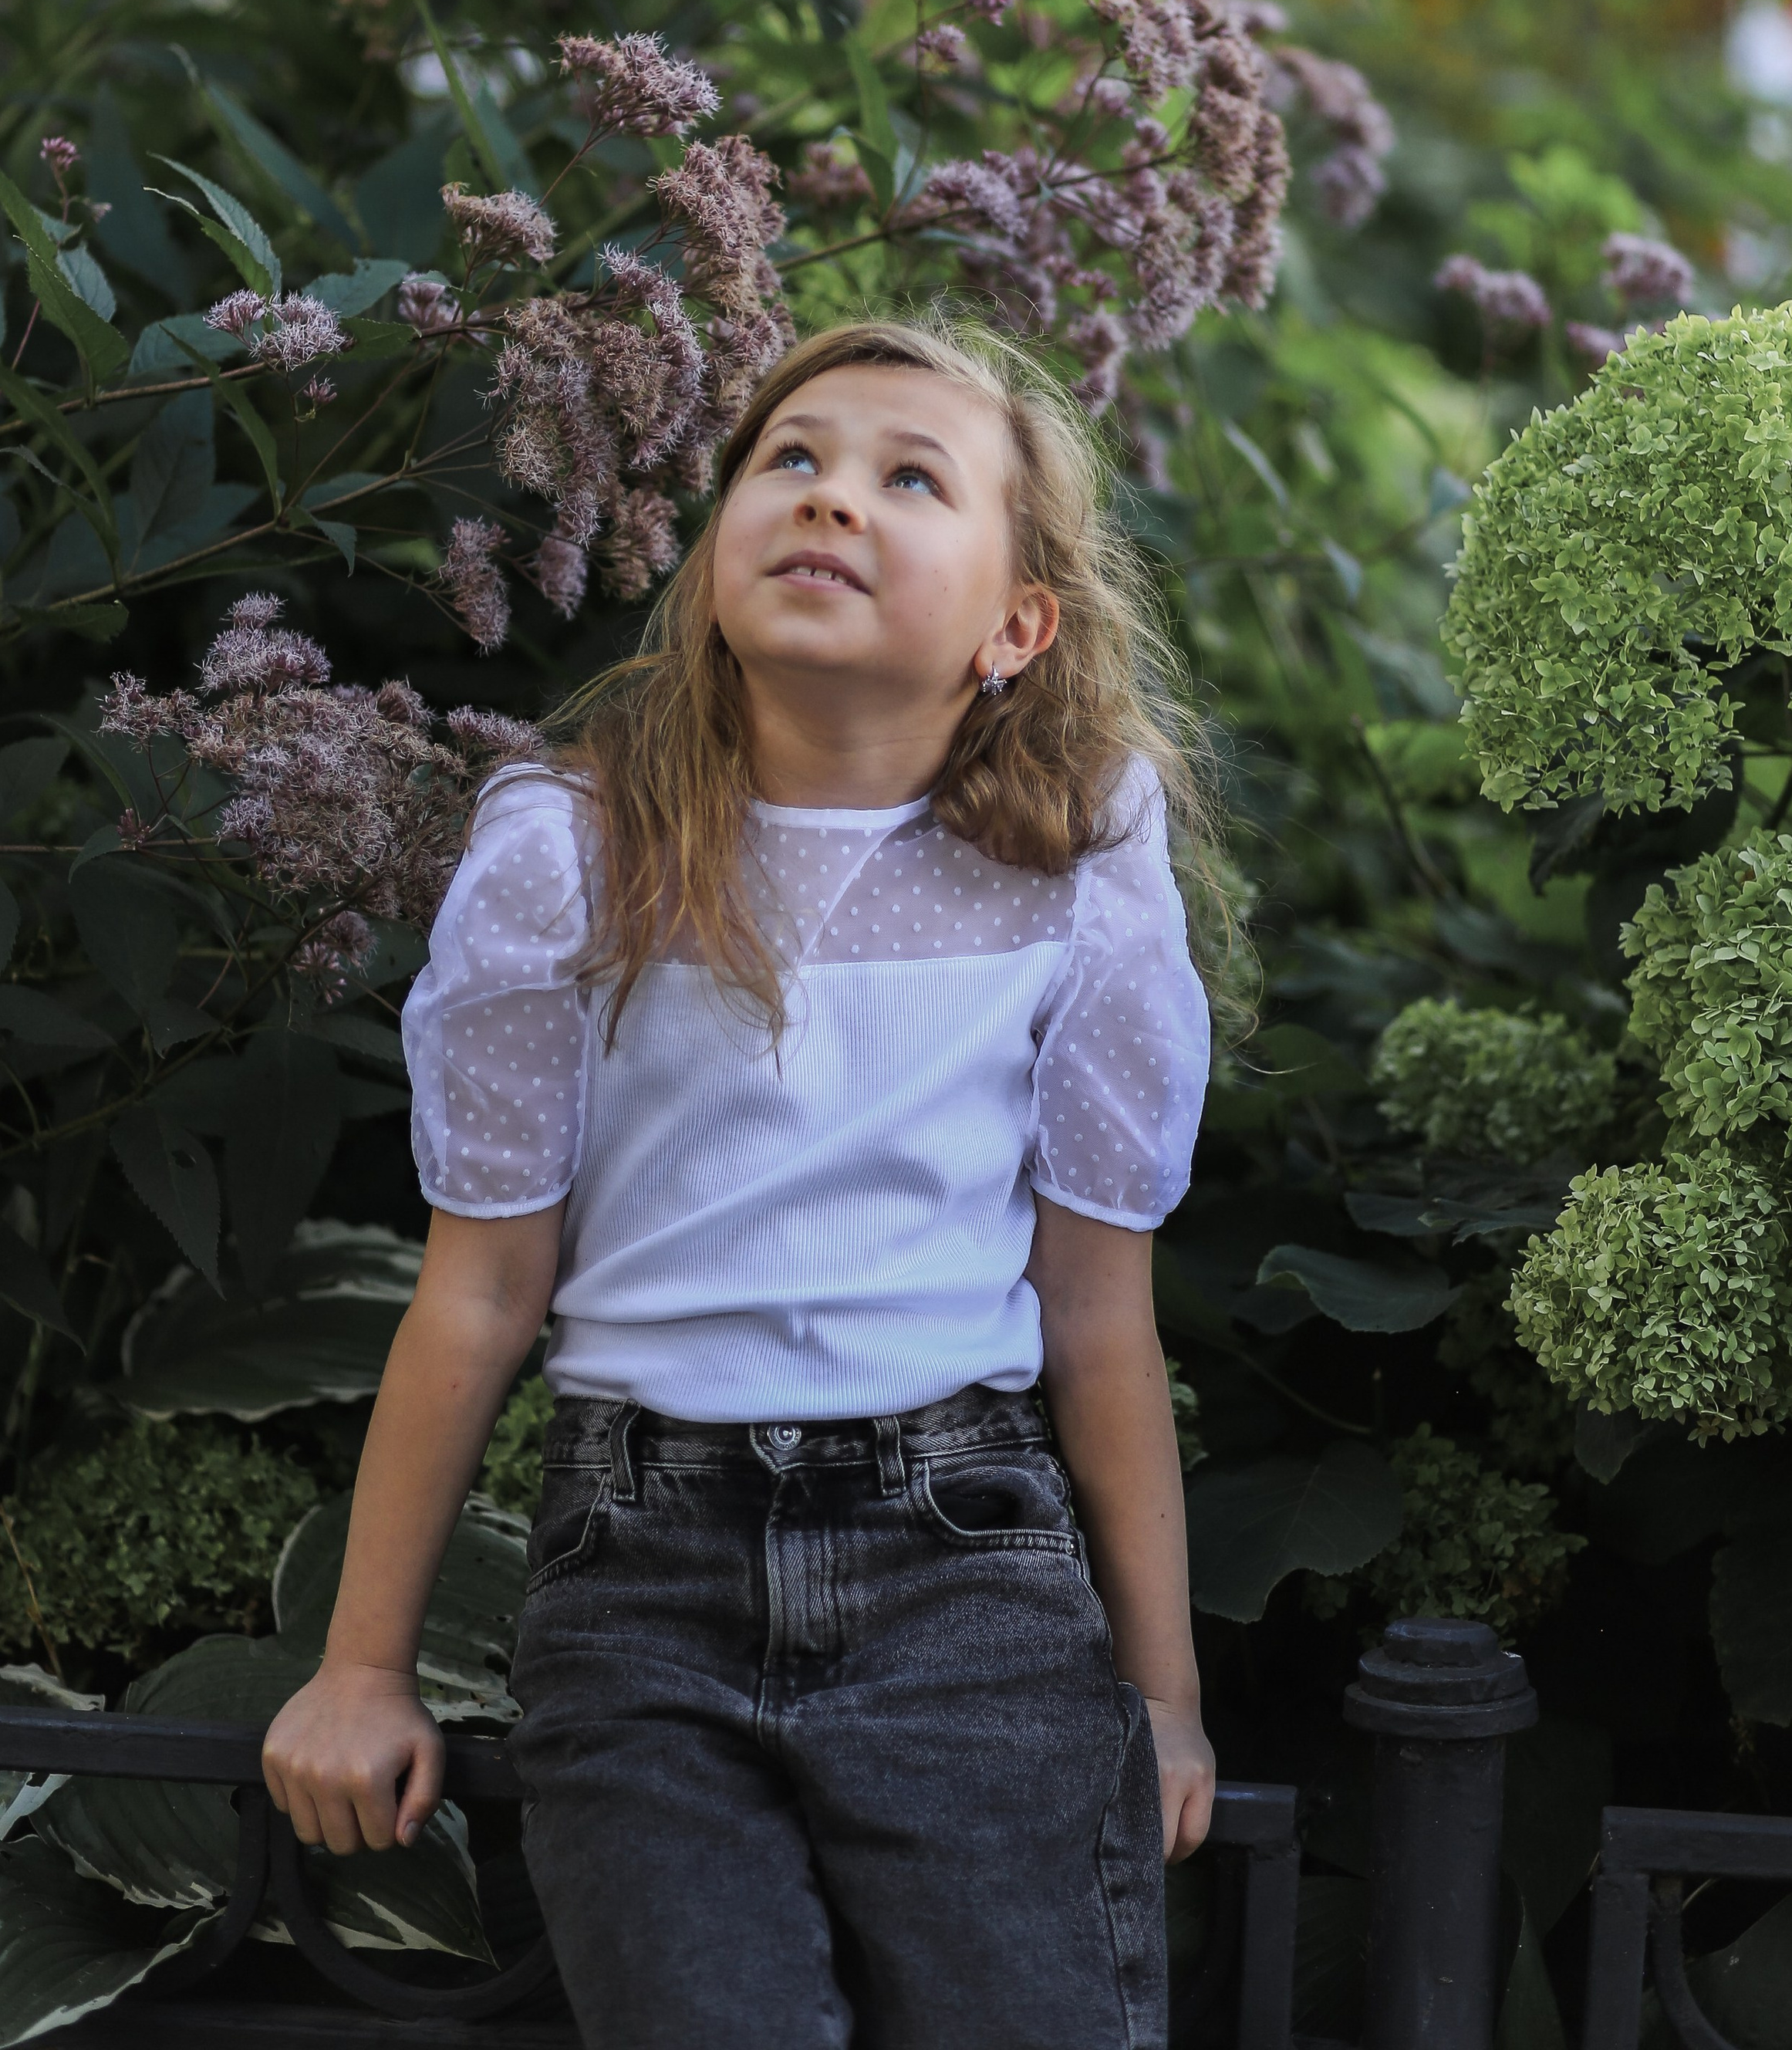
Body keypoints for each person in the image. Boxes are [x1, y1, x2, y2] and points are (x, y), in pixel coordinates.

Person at [263, 315, 1220, 2050]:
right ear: (711, 559)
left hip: (966, 1575)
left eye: (907, 479)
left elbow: (1098, 1320)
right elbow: (477, 1294)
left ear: (1016, 627)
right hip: (640, 1577)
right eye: (789, 459)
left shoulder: (1074, 878)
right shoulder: (574, 852)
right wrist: (362, 1666)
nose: (829, 497)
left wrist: (1160, 1698)